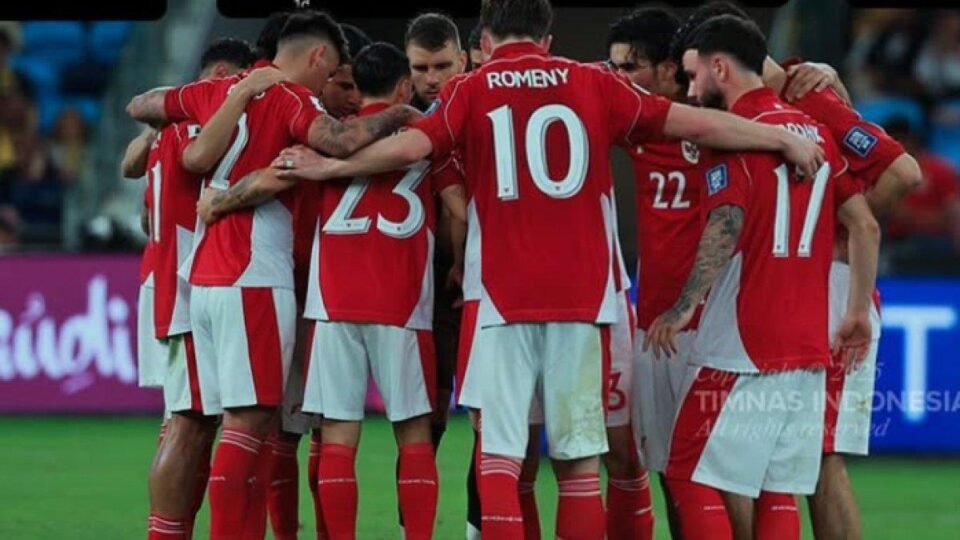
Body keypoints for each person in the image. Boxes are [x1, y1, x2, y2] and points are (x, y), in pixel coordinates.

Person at [266, 0, 827, 537]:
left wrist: (326, 170)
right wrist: (779, 136)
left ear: (486, 39)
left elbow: (410, 147)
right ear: (548, 37)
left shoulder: (470, 88)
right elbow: (697, 125)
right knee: (579, 464)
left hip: (501, 300)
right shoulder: (594, 82)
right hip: (582, 302)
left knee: (501, 459)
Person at [125, 11, 420, 538]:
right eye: (332, 71)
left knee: (198, 421)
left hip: (203, 276)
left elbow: (145, 106)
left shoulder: (215, 91)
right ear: (318, 56)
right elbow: (338, 142)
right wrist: (400, 113)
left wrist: (199, 110)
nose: (330, 84)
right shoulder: (291, 98)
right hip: (254, 273)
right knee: (248, 424)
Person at [648, 15, 880, 540]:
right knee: (776, 486)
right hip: (808, 345)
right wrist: (856, 311)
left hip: (744, 341)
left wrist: (684, 305)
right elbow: (865, 224)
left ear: (720, 68)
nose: (690, 91)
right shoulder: (813, 130)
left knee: (686, 472)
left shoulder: (731, 134)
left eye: (694, 77)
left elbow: (726, 221)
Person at [120, 37, 263, 540]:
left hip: (162, 277)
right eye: (243, 82)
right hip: (189, 280)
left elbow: (138, 191)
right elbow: (199, 165)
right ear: (223, 76)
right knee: (192, 421)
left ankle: (170, 530)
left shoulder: (167, 131)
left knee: (183, 418)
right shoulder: (205, 128)